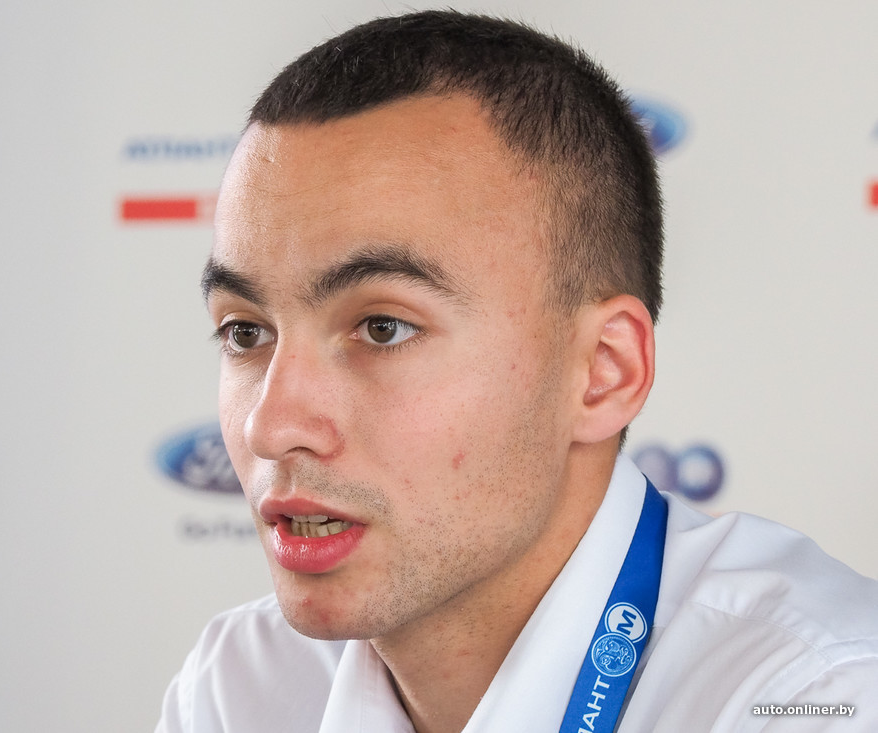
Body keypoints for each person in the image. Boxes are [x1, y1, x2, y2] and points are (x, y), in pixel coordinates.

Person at [158, 10, 878, 732]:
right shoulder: (241, 684)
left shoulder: (824, 696)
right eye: (245, 331)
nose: (270, 426)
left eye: (383, 328)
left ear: (602, 371)